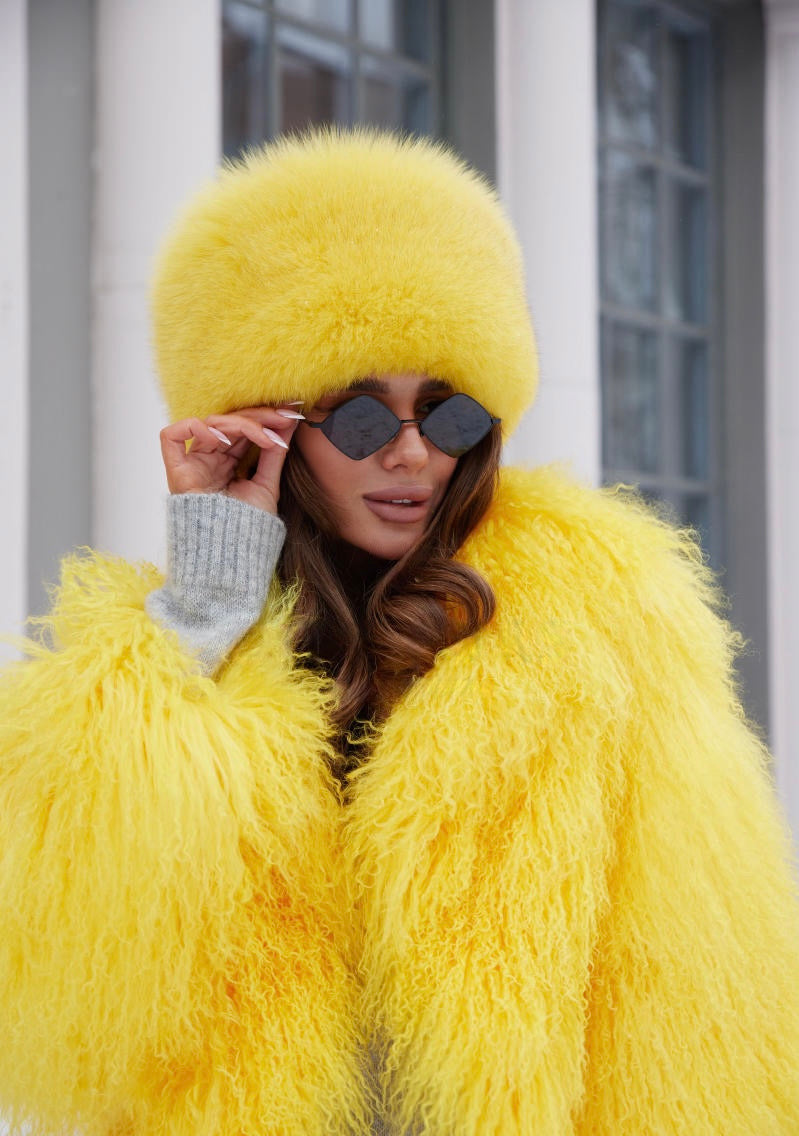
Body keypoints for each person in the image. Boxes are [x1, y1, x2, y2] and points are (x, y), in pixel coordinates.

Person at [0, 129, 797, 1136]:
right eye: (361, 419)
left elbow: (696, 975)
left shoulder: (604, 618)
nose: (413, 454)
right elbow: (65, 952)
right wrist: (206, 595)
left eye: (448, 413)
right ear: (270, 427)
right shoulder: (190, 651)